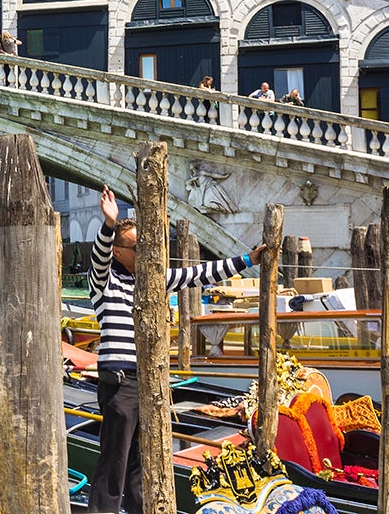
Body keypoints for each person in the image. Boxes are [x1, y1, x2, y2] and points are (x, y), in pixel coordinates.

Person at [89, 186, 266, 513]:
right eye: (136, 247)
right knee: (114, 462)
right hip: (119, 386)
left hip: (147, 385)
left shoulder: (151, 279)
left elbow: (199, 274)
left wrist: (247, 260)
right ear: (119, 252)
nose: (144, 252)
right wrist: (109, 222)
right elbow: (98, 256)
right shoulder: (103, 283)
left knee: (141, 463)